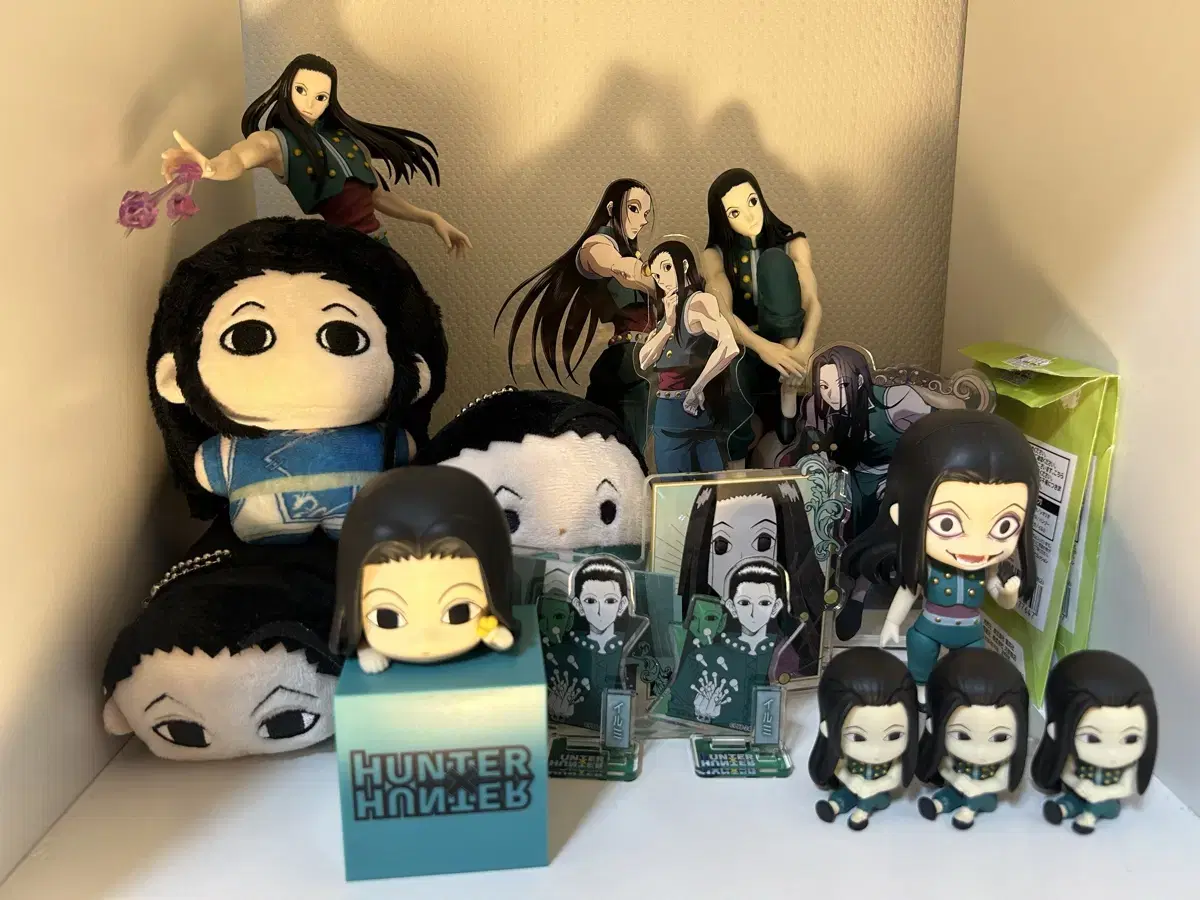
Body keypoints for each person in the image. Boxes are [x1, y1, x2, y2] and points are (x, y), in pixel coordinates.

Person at [161, 53, 470, 254]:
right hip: (338, 251)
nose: (310, 104)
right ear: (287, 88)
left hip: (379, 246)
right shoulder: (276, 142)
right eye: (301, 91)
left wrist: (431, 218)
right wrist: (210, 167)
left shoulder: (347, 140)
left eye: (321, 97)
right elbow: (239, 157)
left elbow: (377, 197)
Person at [496, 179, 657, 451]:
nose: (642, 220)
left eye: (646, 214)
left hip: (642, 361)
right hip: (629, 362)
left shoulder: (628, 251)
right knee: (625, 450)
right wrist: (651, 276)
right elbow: (612, 263)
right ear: (611, 208)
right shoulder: (598, 246)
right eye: (633, 208)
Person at [699, 169, 822, 464]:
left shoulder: (793, 243)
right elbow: (721, 313)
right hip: (745, 343)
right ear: (722, 219)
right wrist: (763, 348)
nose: (750, 216)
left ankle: (788, 393)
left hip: (787, 341)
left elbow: (812, 301)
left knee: (775, 261)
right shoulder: (715, 255)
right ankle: (736, 465)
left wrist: (803, 348)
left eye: (752, 202)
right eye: (734, 212)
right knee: (732, 371)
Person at [637, 240, 739, 474]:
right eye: (656, 275)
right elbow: (643, 360)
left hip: (691, 409)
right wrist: (668, 325)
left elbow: (729, 345)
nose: (662, 280)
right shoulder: (666, 315)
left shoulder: (699, 302)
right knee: (687, 487)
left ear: (683, 266)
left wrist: (697, 388)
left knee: (705, 487)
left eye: (666, 268)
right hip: (670, 411)